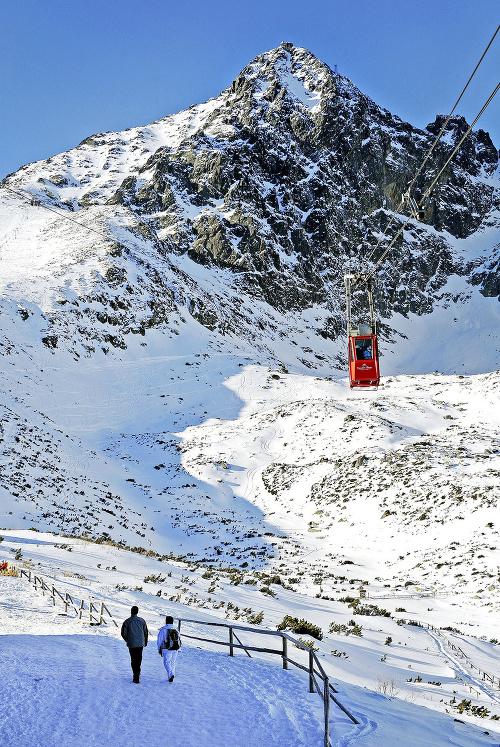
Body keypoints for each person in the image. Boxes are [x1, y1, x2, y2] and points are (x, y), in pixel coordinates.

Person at [121, 606, 149, 683]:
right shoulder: (142, 621)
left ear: (131, 611)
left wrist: (128, 640)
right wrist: (145, 641)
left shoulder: (127, 621)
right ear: (137, 612)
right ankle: (137, 672)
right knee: (139, 658)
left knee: (133, 659)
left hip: (131, 643)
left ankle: (135, 675)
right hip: (140, 643)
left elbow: (123, 633)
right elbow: (145, 632)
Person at [157, 615, 181, 682]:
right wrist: (179, 649)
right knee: (173, 662)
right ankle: (172, 674)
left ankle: (170, 675)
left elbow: (159, 640)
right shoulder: (176, 629)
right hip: (175, 648)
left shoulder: (163, 629)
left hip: (167, 649)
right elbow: (179, 639)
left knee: (166, 662)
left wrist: (159, 649)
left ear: (166, 621)